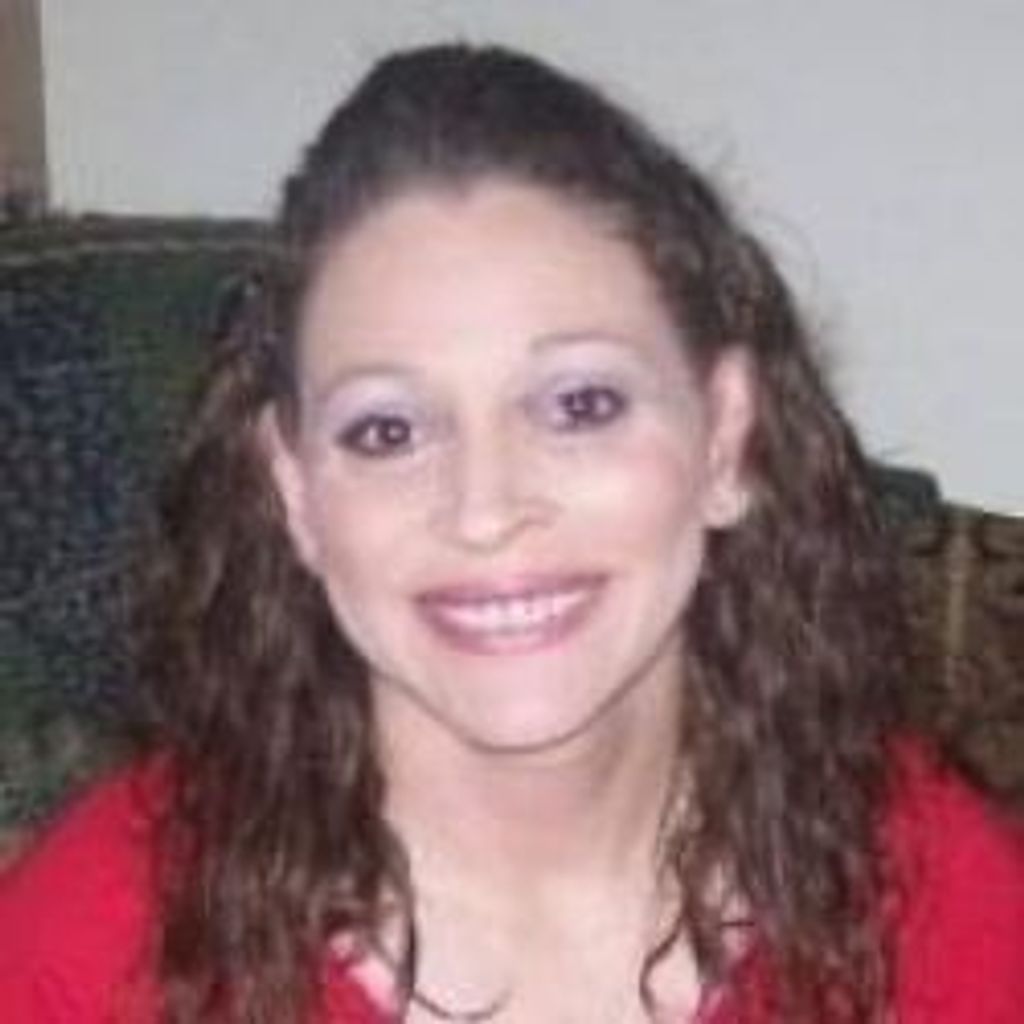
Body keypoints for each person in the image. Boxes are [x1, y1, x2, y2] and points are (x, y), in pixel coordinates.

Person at [0, 43, 1021, 1024]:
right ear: (295, 491)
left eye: (580, 405)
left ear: (724, 437)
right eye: (387, 430)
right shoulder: (91, 947)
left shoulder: (933, 893)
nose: (485, 509)